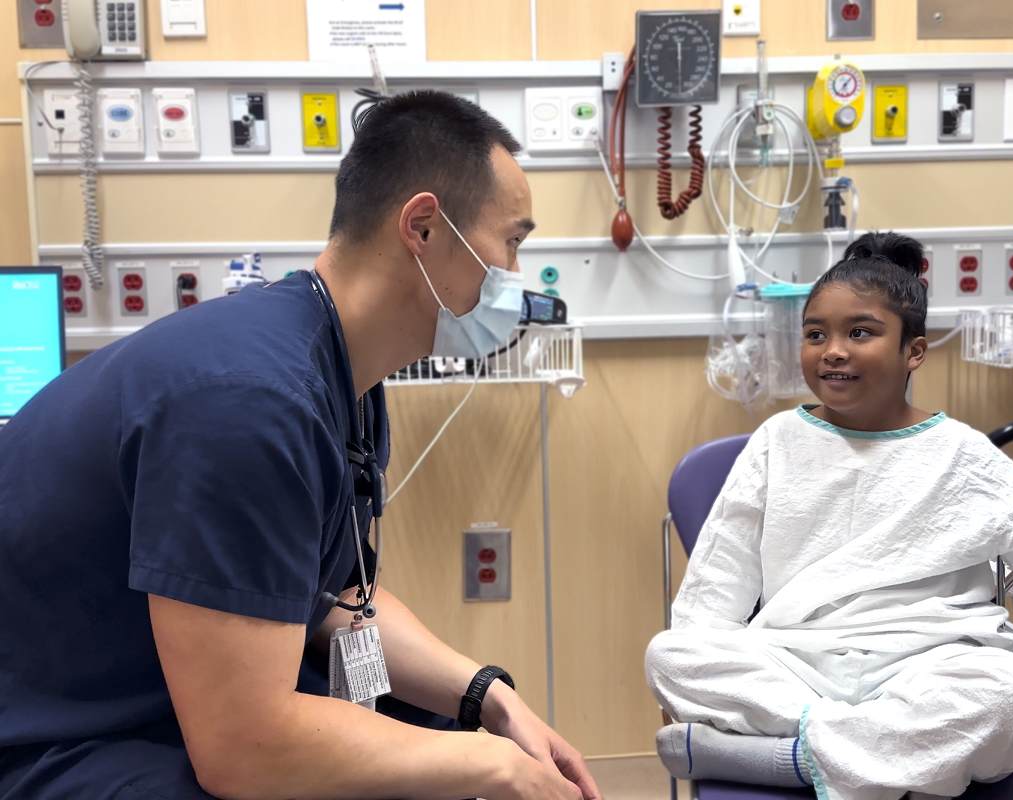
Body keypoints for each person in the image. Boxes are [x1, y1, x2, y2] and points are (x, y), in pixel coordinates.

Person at [0, 91, 599, 800]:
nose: (516, 279)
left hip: (162, 697)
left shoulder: (341, 376)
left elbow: (335, 597)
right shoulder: (250, 403)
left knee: (440, 738)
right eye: (512, 243)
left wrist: (487, 699)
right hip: (49, 741)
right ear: (423, 228)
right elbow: (242, 750)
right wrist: (490, 765)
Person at [644, 232, 1013, 800]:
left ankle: (791, 759)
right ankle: (882, 755)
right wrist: (693, 673)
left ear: (913, 351)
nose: (832, 350)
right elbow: (716, 587)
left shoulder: (964, 455)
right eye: (815, 334)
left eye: (860, 332)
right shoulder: (777, 440)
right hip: (796, 663)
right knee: (671, 655)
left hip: (928, 663)